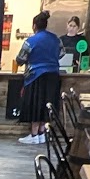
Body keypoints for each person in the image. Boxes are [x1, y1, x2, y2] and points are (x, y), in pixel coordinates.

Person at [16, 10, 63, 145]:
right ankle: (42, 133)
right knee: (47, 103)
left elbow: (20, 59)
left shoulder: (31, 41)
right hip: (53, 75)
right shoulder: (56, 39)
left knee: (35, 104)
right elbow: (62, 53)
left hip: (35, 75)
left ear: (34, 26)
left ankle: (34, 134)